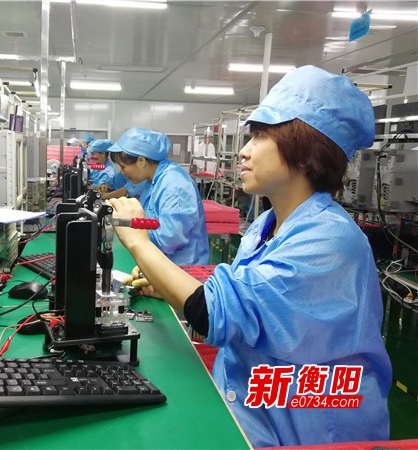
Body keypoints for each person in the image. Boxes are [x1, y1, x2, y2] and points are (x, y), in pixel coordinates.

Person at [108, 66, 392, 447]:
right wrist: (170, 287)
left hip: (303, 429)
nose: (243, 151)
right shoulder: (264, 226)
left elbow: (213, 313)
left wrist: (138, 241)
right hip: (250, 410)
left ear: (306, 151)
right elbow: (250, 302)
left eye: (260, 136)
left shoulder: (331, 239)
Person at [108, 128, 209, 266]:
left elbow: (169, 240)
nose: (123, 173)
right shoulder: (152, 180)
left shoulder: (174, 184)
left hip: (182, 269)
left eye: (123, 167)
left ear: (141, 161)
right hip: (162, 262)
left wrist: (128, 229)